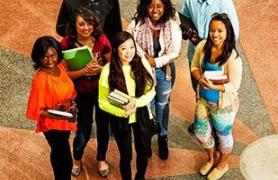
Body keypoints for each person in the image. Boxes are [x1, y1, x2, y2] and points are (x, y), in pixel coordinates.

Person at [126, 0, 182, 160]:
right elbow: (129, 43)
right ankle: (148, 138)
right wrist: (145, 59)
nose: (154, 10)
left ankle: (163, 136)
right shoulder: (137, 22)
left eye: (159, 6)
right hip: (143, 72)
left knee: (162, 105)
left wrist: (156, 62)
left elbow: (175, 52)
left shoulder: (172, 24)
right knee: (147, 106)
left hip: (164, 72)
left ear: (165, 7)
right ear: (145, 6)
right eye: (151, 6)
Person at [60, 7, 112, 177]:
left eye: (89, 24)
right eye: (81, 24)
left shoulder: (102, 41)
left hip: (101, 91)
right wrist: (84, 72)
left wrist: (101, 69)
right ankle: (77, 157)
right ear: (74, 26)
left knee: (104, 126)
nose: (86, 28)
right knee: (83, 127)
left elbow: (112, 67)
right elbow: (64, 73)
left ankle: (101, 158)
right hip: (81, 93)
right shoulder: (66, 44)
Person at [191, 13, 242, 180]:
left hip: (223, 104)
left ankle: (222, 164)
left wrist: (215, 86)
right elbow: (194, 67)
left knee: (223, 135)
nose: (215, 34)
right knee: (200, 132)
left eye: (220, 30)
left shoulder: (232, 57)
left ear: (227, 32)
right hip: (204, 99)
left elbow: (234, 85)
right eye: (212, 30)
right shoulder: (203, 46)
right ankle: (211, 158)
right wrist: (200, 79)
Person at [98, 31, 155, 180]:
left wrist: (137, 102)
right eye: (124, 48)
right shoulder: (108, 71)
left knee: (143, 150)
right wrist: (121, 112)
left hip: (141, 114)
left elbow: (151, 91)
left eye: (132, 47)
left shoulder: (141, 63)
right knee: (126, 155)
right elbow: (102, 102)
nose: (129, 52)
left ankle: (140, 176)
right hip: (121, 117)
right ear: (116, 49)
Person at [181, 0, 239, 134]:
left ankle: (219, 127)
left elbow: (234, 32)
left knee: (218, 94)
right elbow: (184, 18)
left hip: (218, 60)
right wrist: (185, 31)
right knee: (199, 88)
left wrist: (221, 54)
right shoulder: (190, 1)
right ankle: (204, 119)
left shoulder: (224, 3)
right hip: (197, 54)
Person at [26, 36, 77, 180]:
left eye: (53, 55)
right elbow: (38, 110)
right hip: (52, 125)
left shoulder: (60, 66)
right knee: (66, 160)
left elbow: (68, 89)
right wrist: (60, 115)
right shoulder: (40, 80)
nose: (50, 61)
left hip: (65, 118)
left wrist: (70, 105)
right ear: (38, 58)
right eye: (44, 57)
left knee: (58, 153)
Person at [56, 0, 122, 41]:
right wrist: (79, 37)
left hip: (101, 50)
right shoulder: (70, 2)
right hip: (76, 48)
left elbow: (116, 30)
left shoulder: (111, 1)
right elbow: (60, 27)